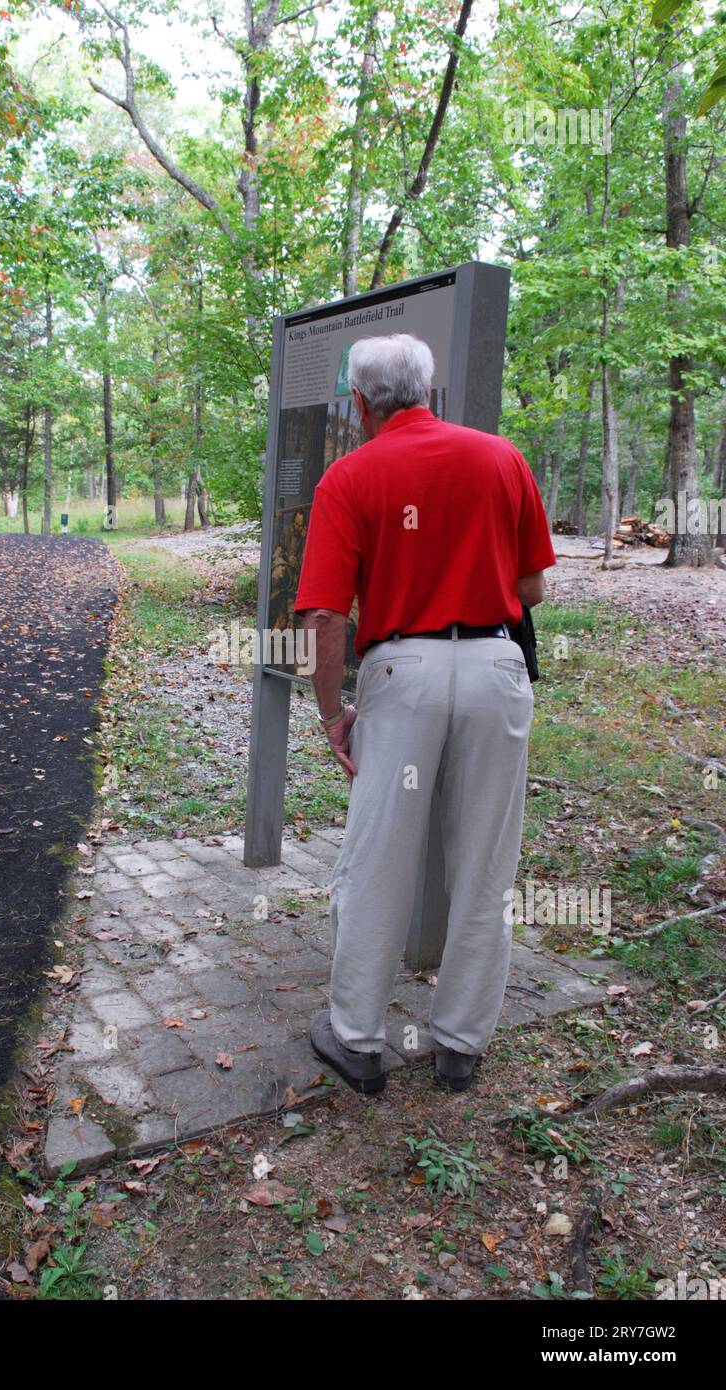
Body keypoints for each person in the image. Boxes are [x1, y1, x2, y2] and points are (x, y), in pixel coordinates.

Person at [294, 332, 556, 1095]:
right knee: (484, 861)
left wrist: (331, 715)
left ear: (358, 402)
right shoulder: (500, 458)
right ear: (430, 392)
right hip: (495, 668)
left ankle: (356, 1038)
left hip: (401, 673)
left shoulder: (349, 477)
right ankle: (460, 1045)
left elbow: (322, 619)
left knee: (378, 859)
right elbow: (533, 586)